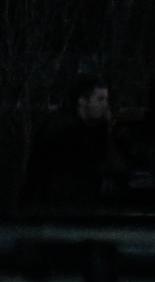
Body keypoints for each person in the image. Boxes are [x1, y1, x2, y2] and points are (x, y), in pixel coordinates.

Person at [21, 68, 118, 209]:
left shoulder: (91, 128)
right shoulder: (62, 130)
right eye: (100, 99)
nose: (105, 105)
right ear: (82, 101)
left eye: (106, 99)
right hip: (54, 207)